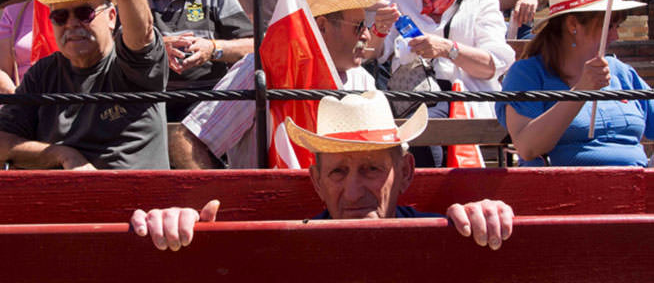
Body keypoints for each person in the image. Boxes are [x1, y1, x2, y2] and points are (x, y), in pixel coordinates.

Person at [132, 90, 514, 251]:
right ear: (314, 181)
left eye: (371, 169)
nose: (352, 192)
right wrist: (176, 237)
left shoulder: (452, 236)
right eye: (336, 173)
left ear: (407, 171)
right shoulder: (280, 254)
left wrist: (487, 222)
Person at [170, 0, 384, 169]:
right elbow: (187, 142)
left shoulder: (361, 78)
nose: (367, 35)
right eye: (359, 26)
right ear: (322, 27)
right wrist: (228, 204)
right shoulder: (260, 69)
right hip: (270, 208)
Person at [0, 0, 170, 170]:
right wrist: (61, 155)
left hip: (137, 198)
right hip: (66, 197)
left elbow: (142, 34)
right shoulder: (43, 73)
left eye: (84, 13)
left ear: (111, 17)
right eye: (60, 16)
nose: (71, 23)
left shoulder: (132, 64)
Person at [379, 0, 515, 166]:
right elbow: (379, 54)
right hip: (413, 95)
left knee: (425, 134)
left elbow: (495, 64)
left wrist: (448, 49)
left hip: (464, 93)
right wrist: (378, 30)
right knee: (412, 132)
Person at [496, 0, 653, 167]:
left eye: (616, 26)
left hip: (637, 189)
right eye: (608, 26)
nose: (615, 36)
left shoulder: (621, 71)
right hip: (561, 190)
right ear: (573, 25)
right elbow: (528, 147)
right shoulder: (528, 74)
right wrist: (581, 91)